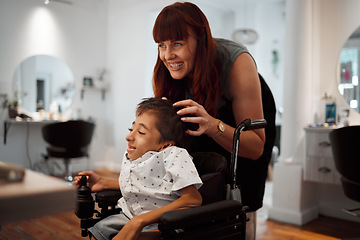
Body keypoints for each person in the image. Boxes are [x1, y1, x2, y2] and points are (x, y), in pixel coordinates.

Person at [152, 2, 276, 239]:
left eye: (177, 43)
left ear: (200, 39)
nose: (168, 55)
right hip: (206, 117)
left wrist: (212, 125)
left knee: (241, 200)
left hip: (248, 126)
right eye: (161, 45)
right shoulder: (165, 71)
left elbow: (255, 147)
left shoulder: (236, 61)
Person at [73, 98, 203, 240]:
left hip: (162, 223)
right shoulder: (133, 154)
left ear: (165, 145)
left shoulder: (174, 155)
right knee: (97, 233)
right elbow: (143, 186)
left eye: (140, 132)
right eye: (131, 129)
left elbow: (193, 199)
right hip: (128, 215)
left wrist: (139, 222)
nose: (128, 136)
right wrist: (104, 183)